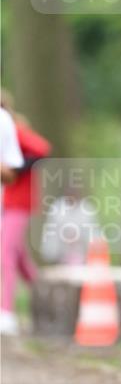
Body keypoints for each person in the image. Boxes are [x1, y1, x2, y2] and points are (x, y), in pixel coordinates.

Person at [1, 95, 52, 335]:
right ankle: (48, 300)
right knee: (20, 259)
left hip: (18, 202)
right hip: (7, 202)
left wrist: (16, 169)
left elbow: (43, 149)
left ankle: (6, 312)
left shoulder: (12, 127)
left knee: (5, 254)